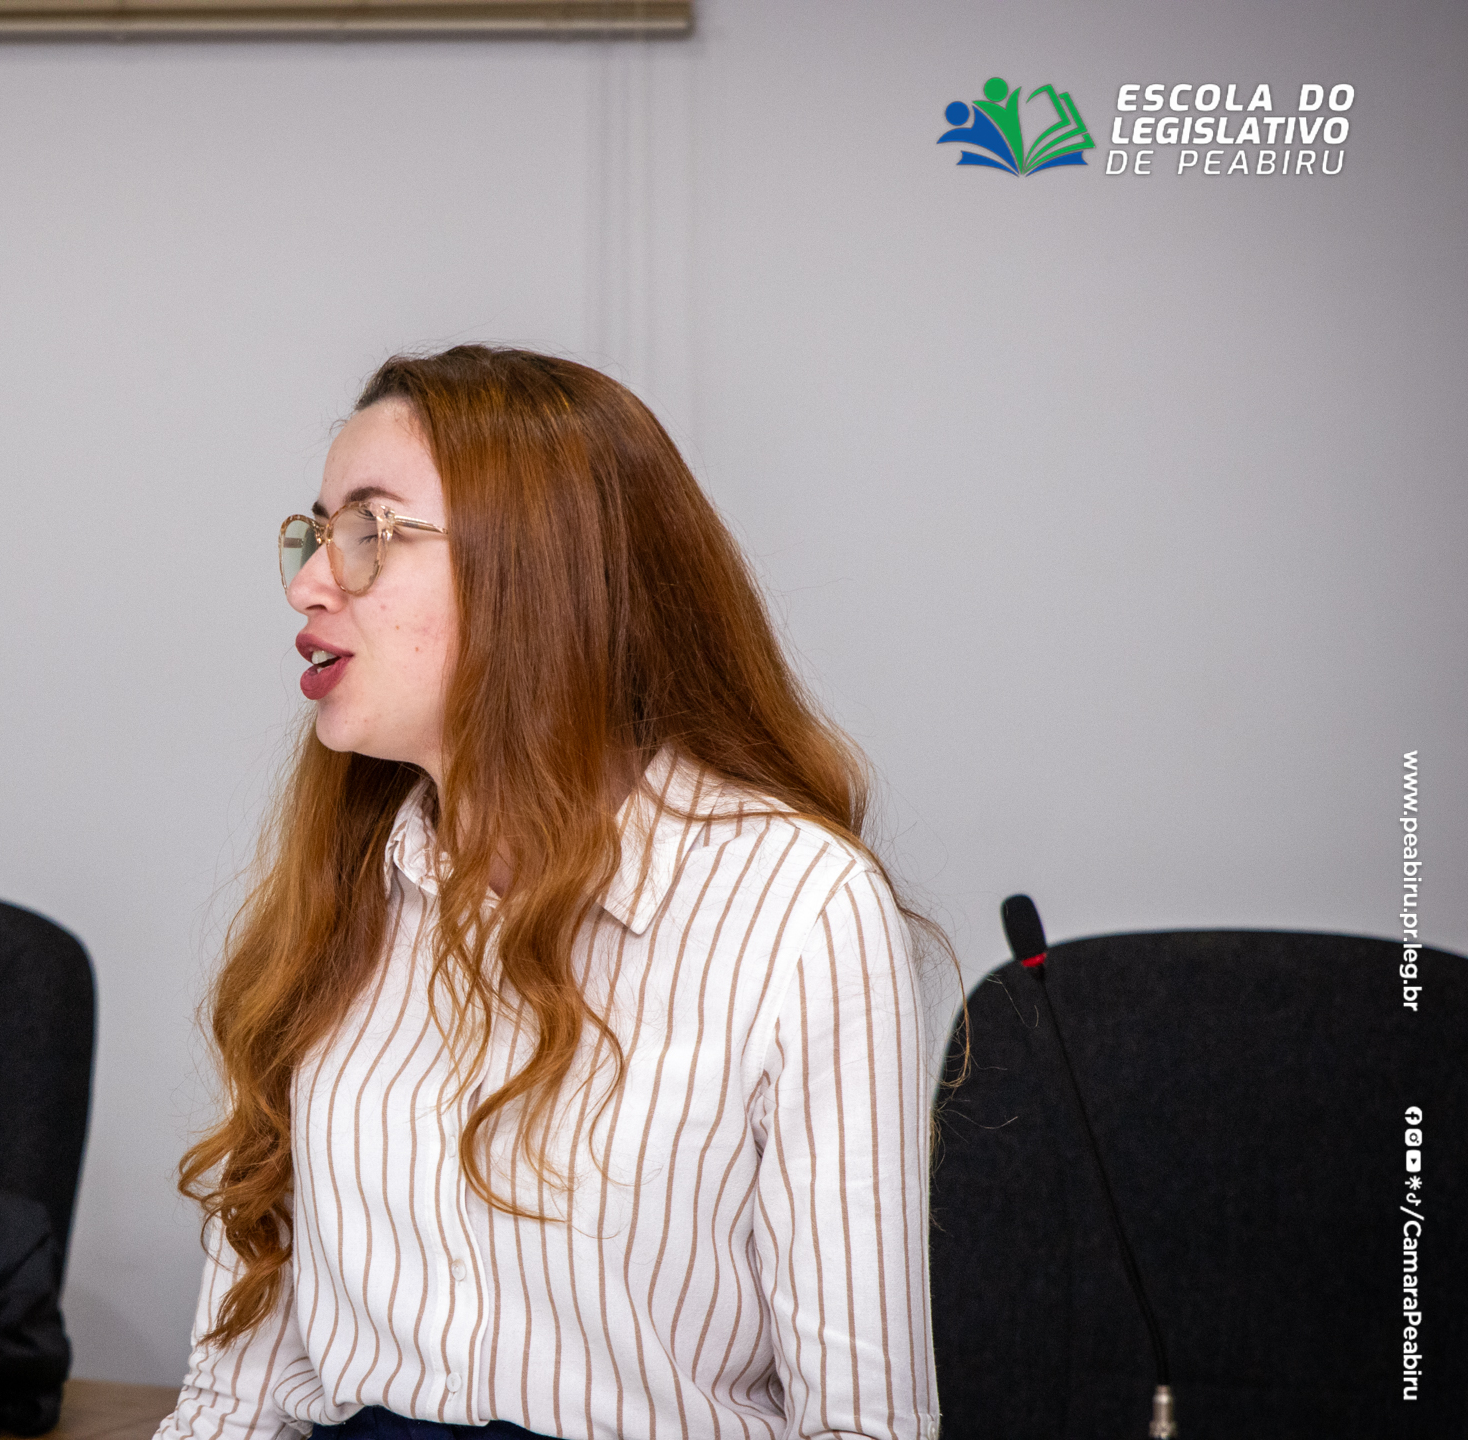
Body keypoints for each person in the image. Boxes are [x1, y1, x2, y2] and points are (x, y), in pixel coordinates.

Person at [155, 345, 949, 1440]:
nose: (308, 582)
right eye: (315, 533)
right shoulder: (339, 885)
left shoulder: (801, 907)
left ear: (543, 573)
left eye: (369, 532)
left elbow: (865, 1427)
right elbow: (233, 1400)